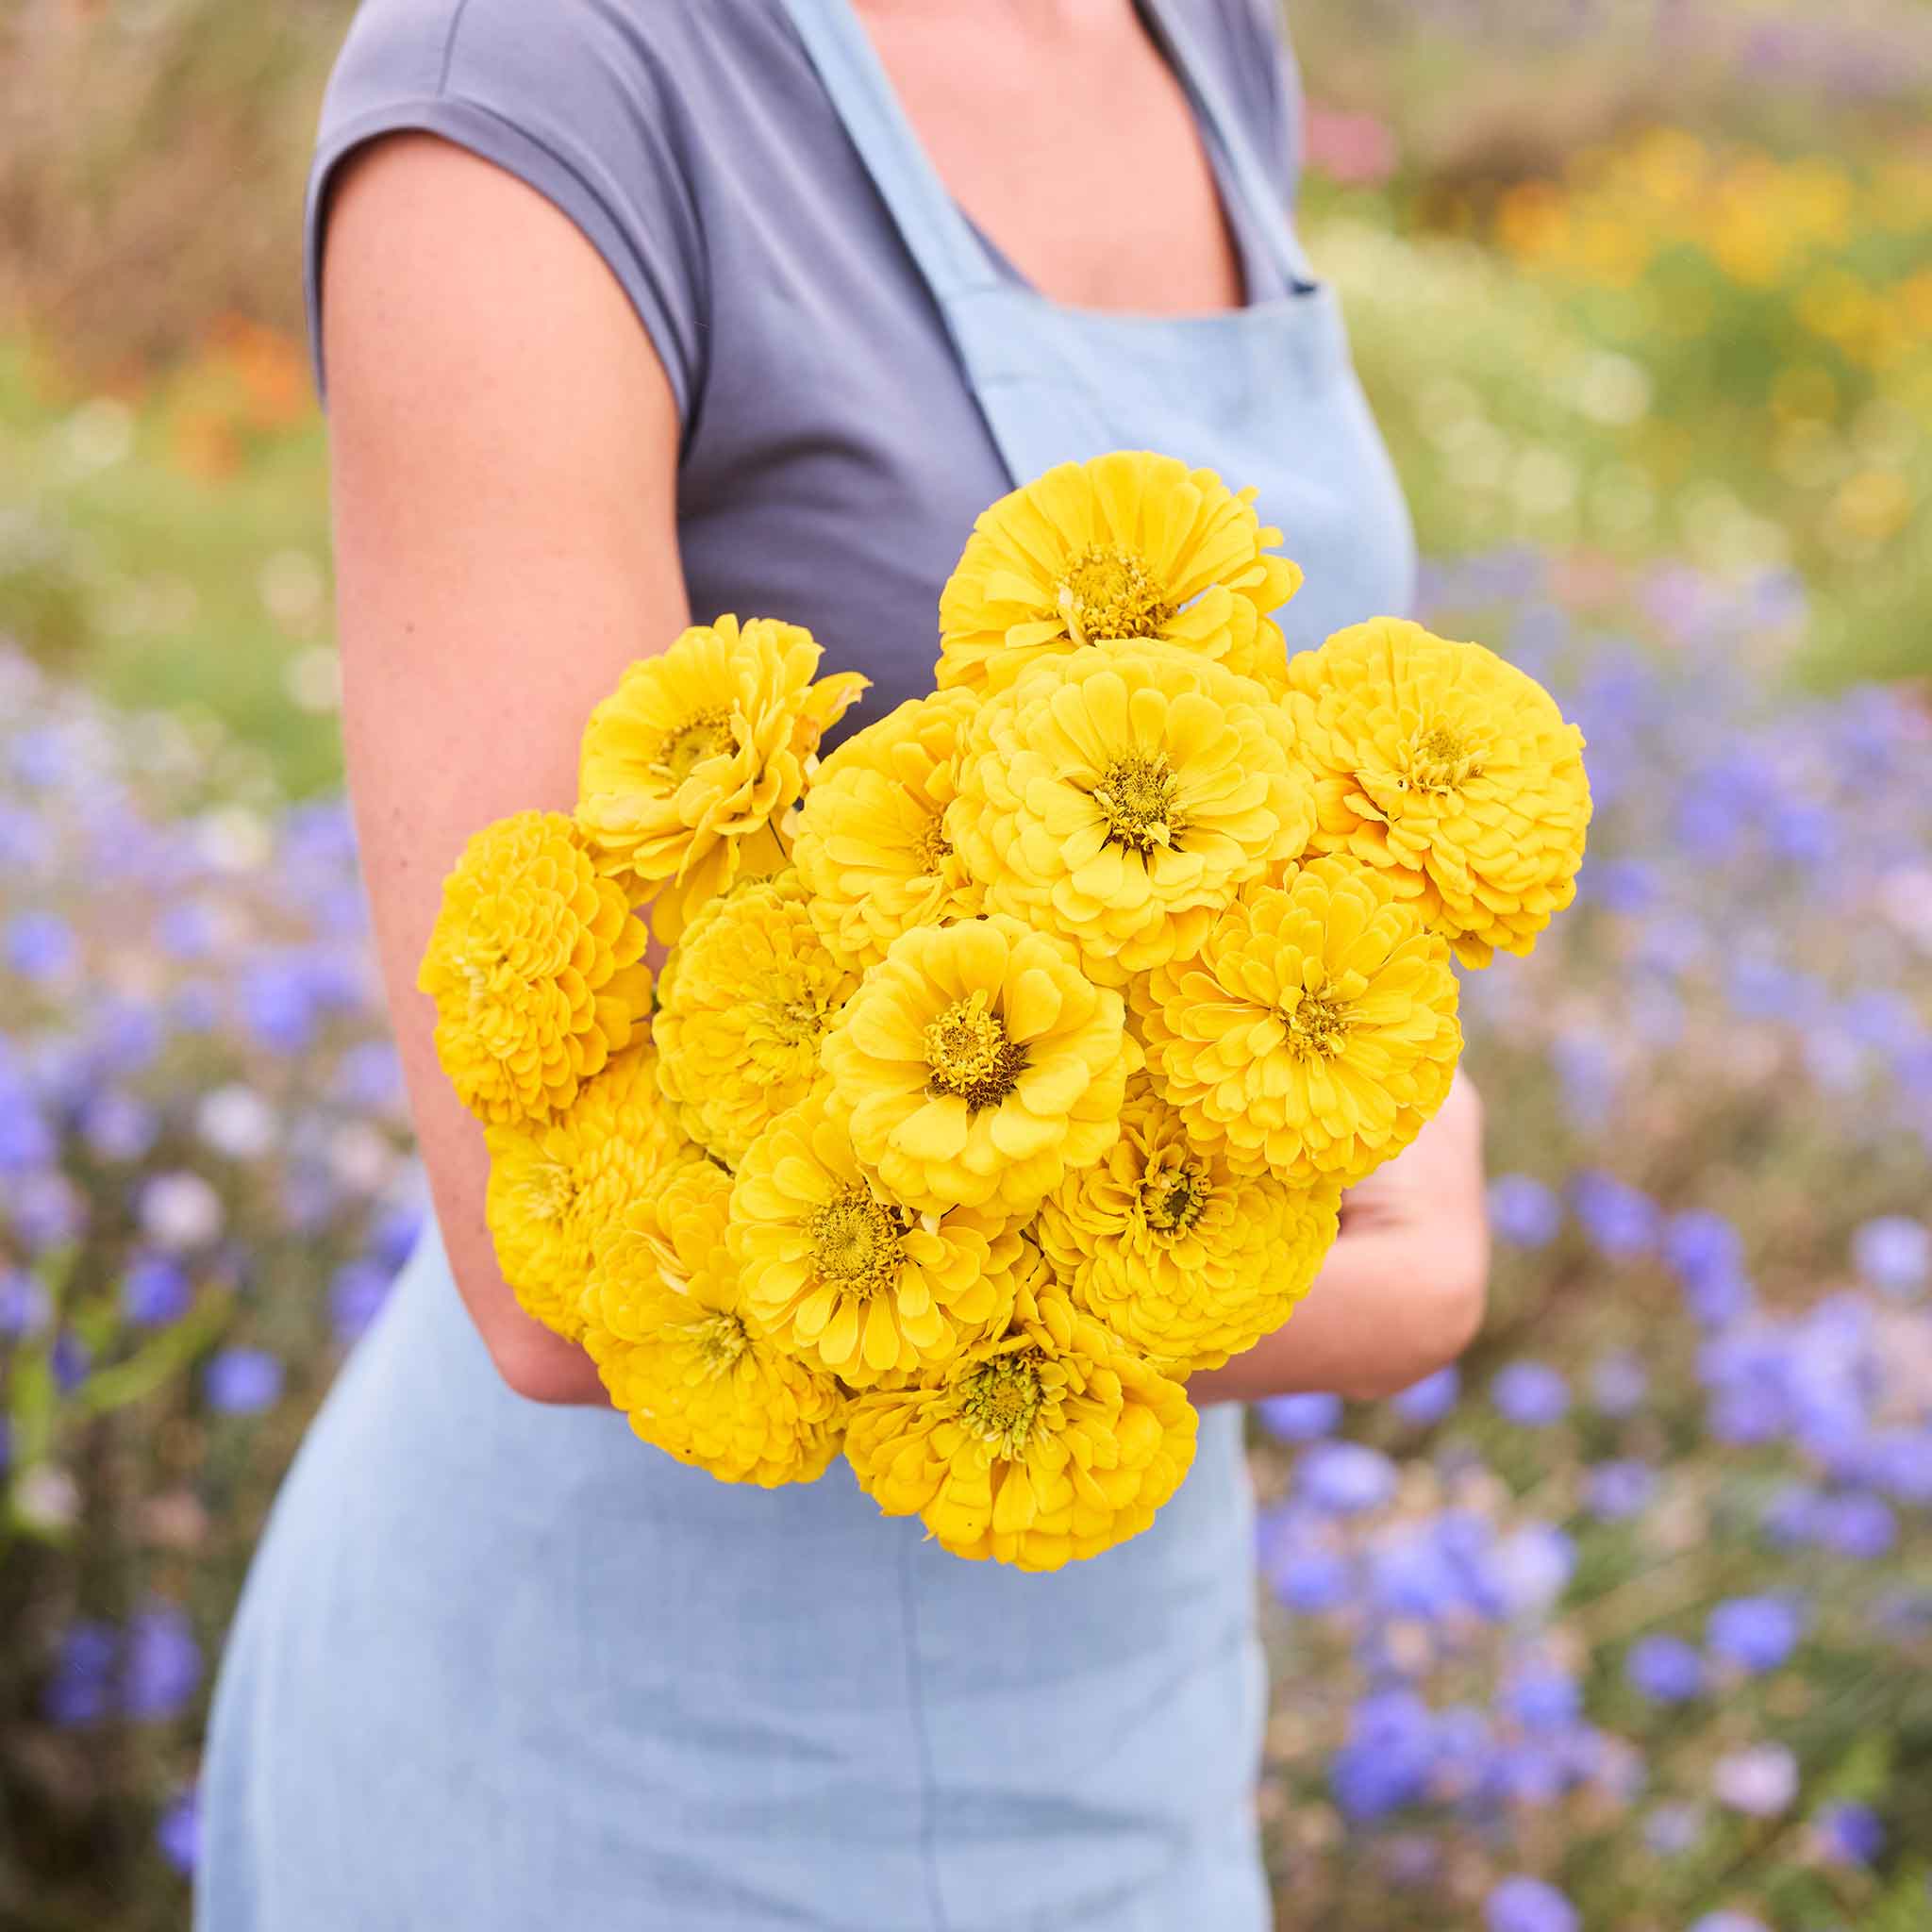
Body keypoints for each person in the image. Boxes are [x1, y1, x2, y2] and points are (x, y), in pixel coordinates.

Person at [196, 3, 1489, 1926]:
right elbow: (571, 1277)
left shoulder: (1193, 27)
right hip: (621, 1762)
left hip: (1109, 1698)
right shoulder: (538, 80)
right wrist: (1375, 1276)